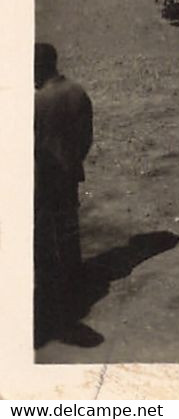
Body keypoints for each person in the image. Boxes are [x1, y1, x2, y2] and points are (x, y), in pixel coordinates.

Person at [35, 44, 94, 344]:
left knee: (45, 234)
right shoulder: (77, 92)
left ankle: (54, 289)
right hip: (69, 171)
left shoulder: (39, 101)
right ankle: (75, 277)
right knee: (69, 227)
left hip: (44, 176)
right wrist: (75, 159)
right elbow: (87, 135)